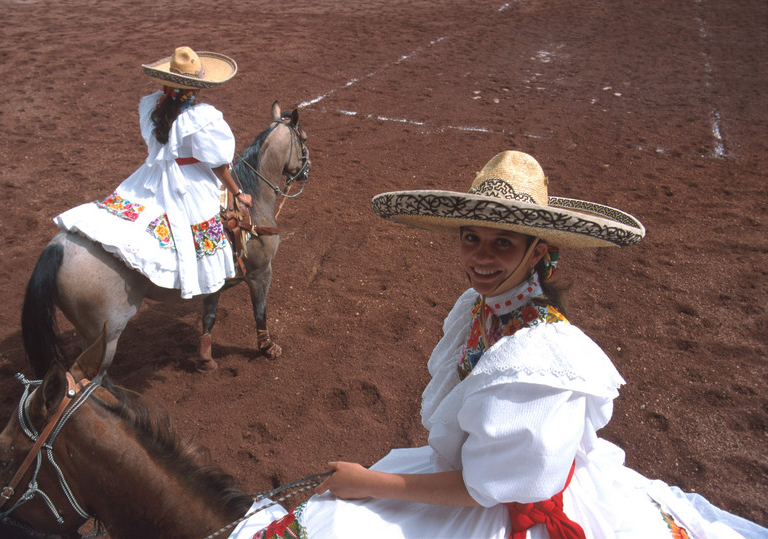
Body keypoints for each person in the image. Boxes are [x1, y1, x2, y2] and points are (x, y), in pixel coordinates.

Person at [229, 151, 763, 538]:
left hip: (499, 506)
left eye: (503, 243)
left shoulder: (542, 358)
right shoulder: (481, 309)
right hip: (474, 482)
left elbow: (492, 488)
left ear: (537, 252)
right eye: (471, 237)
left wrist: (371, 482)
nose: (481, 257)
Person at [55, 46, 250, 300]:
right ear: (196, 88)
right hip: (187, 180)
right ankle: (208, 274)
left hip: (153, 174)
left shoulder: (153, 107)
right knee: (208, 218)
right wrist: (238, 192)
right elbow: (218, 163)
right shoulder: (201, 118)